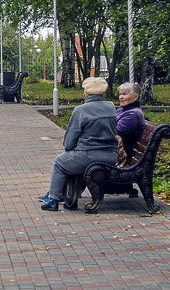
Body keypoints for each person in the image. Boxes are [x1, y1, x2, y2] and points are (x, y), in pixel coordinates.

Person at [39, 76, 118, 211]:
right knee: (68, 161)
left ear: (85, 93)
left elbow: (69, 141)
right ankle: (56, 192)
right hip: (111, 156)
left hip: (87, 155)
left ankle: (53, 199)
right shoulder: (111, 106)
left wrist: (70, 148)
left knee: (60, 162)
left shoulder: (81, 110)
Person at [116, 81, 145, 163]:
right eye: (120, 94)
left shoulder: (132, 114)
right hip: (115, 149)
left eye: (124, 94)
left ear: (135, 97)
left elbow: (117, 131)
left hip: (122, 153)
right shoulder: (122, 110)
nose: (121, 97)